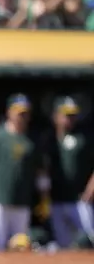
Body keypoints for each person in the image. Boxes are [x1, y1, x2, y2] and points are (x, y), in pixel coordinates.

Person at [0, 94, 46, 250]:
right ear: (9, 112)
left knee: (21, 246)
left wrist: (44, 197)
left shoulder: (31, 140)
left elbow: (40, 171)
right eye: (19, 112)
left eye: (26, 113)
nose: (23, 116)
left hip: (22, 200)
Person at [41, 96, 94, 248]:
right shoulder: (49, 139)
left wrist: (90, 189)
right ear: (56, 116)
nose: (70, 119)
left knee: (88, 239)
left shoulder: (84, 138)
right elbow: (42, 169)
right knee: (62, 245)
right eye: (66, 115)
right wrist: (44, 197)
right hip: (56, 200)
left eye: (73, 115)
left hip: (80, 200)